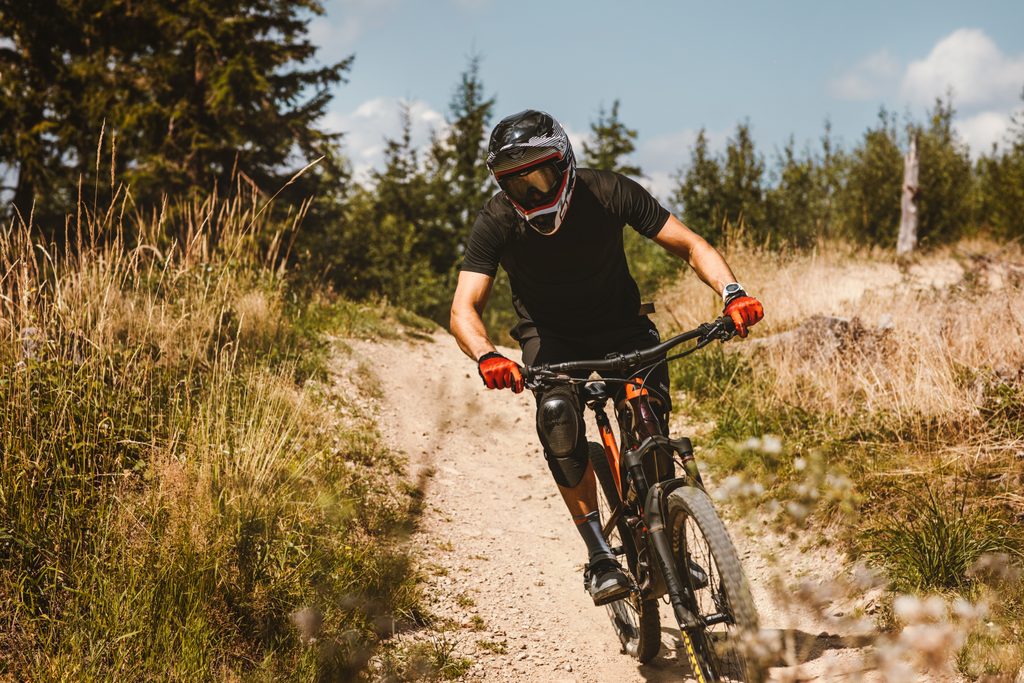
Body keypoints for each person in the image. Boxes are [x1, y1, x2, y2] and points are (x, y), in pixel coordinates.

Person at [449, 109, 764, 605]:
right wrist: (487, 355)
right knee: (558, 417)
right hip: (550, 338)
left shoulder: (609, 191)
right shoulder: (497, 219)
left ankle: (672, 540)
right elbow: (463, 308)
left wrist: (733, 293)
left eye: (540, 178)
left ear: (564, 163)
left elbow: (689, 245)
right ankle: (600, 555)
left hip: (623, 327)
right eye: (517, 184)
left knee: (649, 420)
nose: (531, 193)